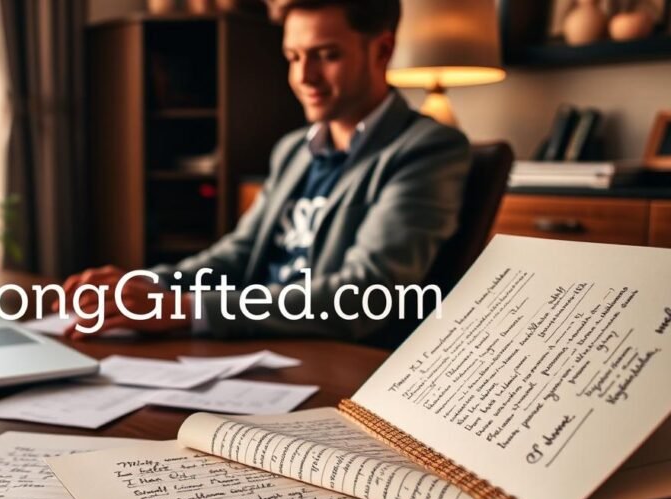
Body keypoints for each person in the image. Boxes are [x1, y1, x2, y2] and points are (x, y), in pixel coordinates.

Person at [59, 0, 472, 341]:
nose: (304, 77)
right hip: (254, 346)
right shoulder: (293, 150)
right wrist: (147, 286)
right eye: (293, 57)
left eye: (326, 56)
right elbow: (236, 256)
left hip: (331, 360)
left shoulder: (428, 149)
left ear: (382, 50)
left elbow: (366, 295)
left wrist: (185, 309)